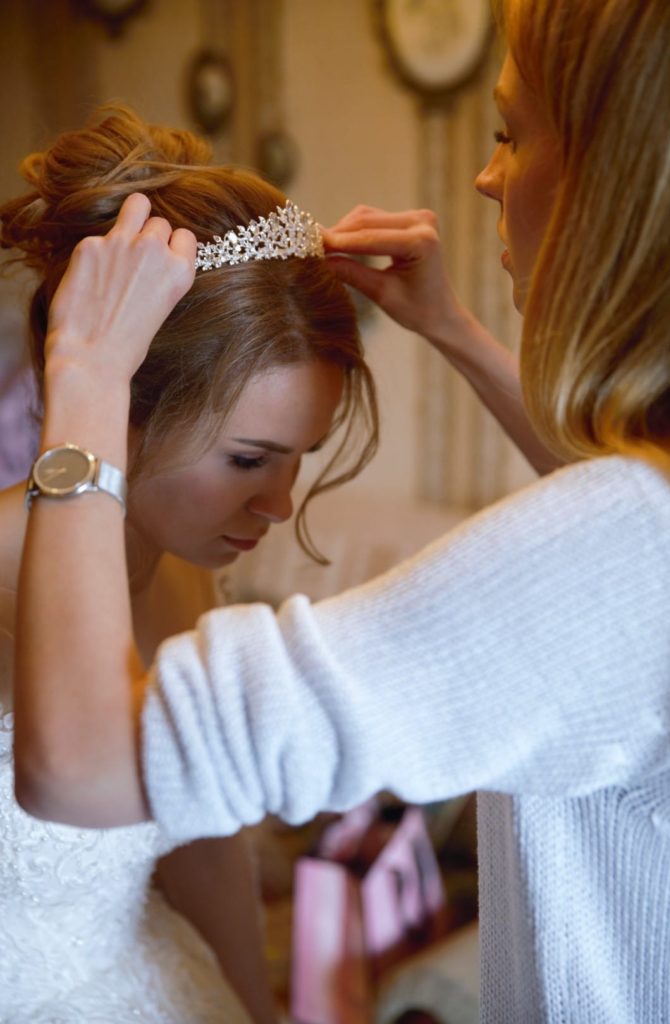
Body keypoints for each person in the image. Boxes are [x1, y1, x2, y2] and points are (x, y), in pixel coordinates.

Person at [13, 0, 670, 1020]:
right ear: (135, 416)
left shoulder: (622, 545)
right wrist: (454, 331)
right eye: (248, 457)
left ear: (616, 184)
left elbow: (91, 773)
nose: (484, 176)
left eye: (509, 132)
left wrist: (88, 379)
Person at [0, 104, 378, 1021]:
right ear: (120, 405)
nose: (279, 504)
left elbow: (202, 845)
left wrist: (252, 1006)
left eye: (300, 457)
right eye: (248, 460)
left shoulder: (182, 571)